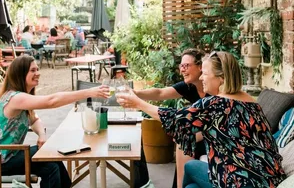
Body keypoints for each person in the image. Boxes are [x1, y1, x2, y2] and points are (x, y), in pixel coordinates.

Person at [119, 51, 286, 188]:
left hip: (243, 181)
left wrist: (137, 103)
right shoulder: (251, 101)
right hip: (270, 178)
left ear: (221, 78)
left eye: (205, 74)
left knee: (191, 166)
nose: (201, 78)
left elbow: (175, 119)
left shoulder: (216, 103)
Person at [0, 55, 109, 188]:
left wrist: (42, 135)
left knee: (52, 159)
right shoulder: (15, 98)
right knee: (50, 163)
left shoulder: (21, 97)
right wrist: (89, 92)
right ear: (20, 74)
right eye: (32, 70)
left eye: (37, 69)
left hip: (7, 155)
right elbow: (52, 101)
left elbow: (34, 119)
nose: (38, 73)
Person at [133, 48, 206, 187]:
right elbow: (160, 93)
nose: (182, 70)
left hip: (212, 136)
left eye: (186, 66)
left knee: (184, 139)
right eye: (181, 66)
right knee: (184, 139)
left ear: (200, 67)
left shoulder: (215, 90)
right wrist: (136, 93)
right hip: (200, 132)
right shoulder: (189, 86)